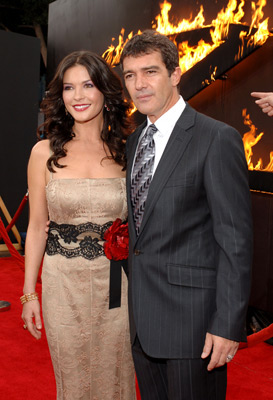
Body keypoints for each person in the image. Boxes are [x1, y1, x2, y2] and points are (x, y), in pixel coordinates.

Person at [120, 30, 253, 400]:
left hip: (194, 326)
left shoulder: (216, 138)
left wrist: (227, 324)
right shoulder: (135, 142)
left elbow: (235, 240)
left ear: (176, 74)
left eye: (150, 72)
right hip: (142, 322)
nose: (139, 85)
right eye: (130, 76)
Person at [21, 50, 136, 400]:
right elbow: (37, 227)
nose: (78, 96)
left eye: (87, 85)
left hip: (117, 287)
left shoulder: (127, 151)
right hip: (62, 286)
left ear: (104, 91)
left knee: (118, 376)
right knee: (72, 380)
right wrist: (29, 293)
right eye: (69, 88)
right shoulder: (43, 153)